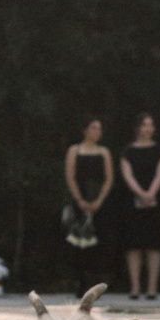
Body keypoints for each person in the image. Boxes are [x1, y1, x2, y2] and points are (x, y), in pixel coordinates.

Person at [116, 112, 160, 301]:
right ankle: (135, 288)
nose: (148, 128)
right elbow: (128, 176)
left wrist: (150, 194)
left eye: (151, 125)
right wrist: (140, 194)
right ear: (138, 127)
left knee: (154, 245)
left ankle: (152, 288)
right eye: (145, 124)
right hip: (132, 202)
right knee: (134, 246)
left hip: (155, 201)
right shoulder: (128, 152)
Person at [62, 119, 113, 284]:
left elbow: (108, 179)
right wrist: (80, 200)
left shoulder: (104, 152)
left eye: (99, 128)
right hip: (80, 198)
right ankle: (81, 281)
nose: (97, 131)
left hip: (99, 200)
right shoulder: (74, 150)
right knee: (78, 241)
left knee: (100, 240)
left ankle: (97, 280)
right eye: (93, 128)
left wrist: (99, 200)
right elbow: (70, 176)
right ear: (85, 130)